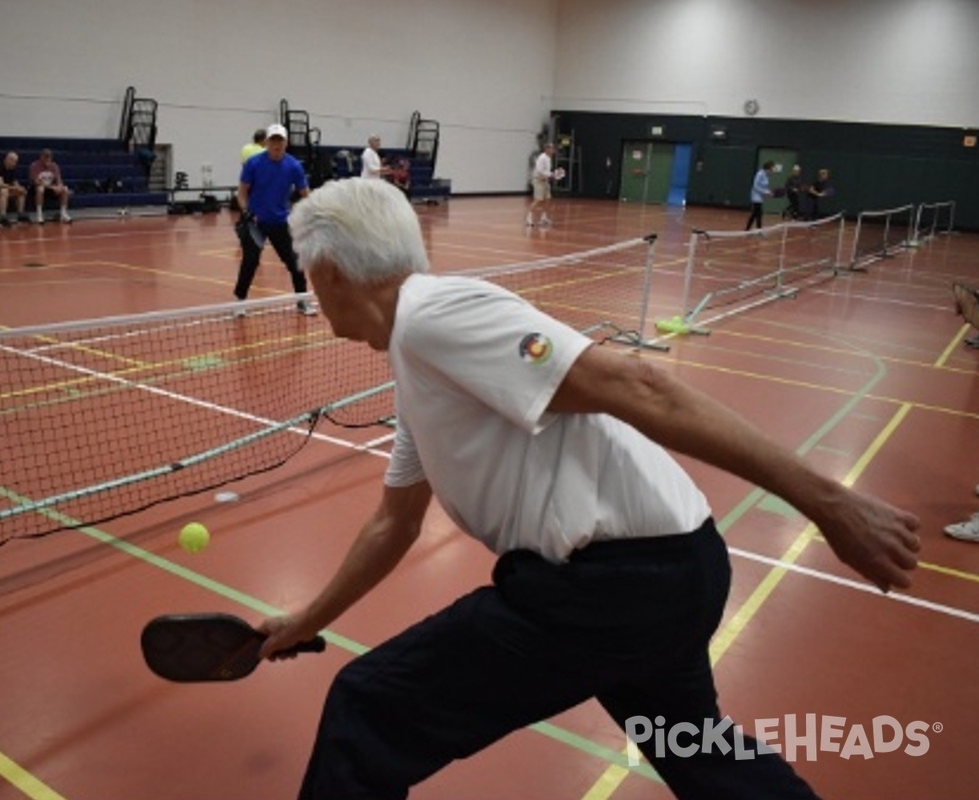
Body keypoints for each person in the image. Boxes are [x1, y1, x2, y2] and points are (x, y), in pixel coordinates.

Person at [265, 177, 921, 799]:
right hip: (673, 571)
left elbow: (640, 384)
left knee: (370, 707)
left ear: (328, 273)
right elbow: (394, 522)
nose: (309, 288)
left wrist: (827, 502)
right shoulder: (417, 362)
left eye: (306, 274)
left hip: (613, 587)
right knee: (699, 751)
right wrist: (304, 622)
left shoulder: (434, 316)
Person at [234, 123, 316, 316]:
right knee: (250, 262)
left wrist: (313, 213)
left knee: (295, 262)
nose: (276, 145)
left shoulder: (294, 166)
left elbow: (305, 193)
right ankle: (239, 302)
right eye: (273, 141)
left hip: (280, 222)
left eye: (280, 141)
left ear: (286, 143)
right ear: (267, 143)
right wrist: (245, 211)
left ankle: (302, 301)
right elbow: (242, 193)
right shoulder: (253, 164)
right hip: (256, 222)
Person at [28, 149, 71, 224]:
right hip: (36, 188)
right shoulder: (34, 165)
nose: (47, 159)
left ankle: (63, 213)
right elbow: (36, 182)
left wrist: (59, 186)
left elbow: (59, 180)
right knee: (40, 189)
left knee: (65, 189)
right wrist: (51, 187)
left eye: (49, 157)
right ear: (41, 157)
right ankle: (39, 214)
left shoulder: (54, 166)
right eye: (45, 157)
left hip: (51, 188)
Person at [527, 142, 555, 227]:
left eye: (553, 148)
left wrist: (552, 175)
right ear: (547, 149)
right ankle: (529, 218)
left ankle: (543, 218)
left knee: (548, 199)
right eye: (551, 148)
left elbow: (546, 171)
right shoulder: (542, 158)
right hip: (538, 181)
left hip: (545, 181)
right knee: (538, 199)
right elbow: (539, 171)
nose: (553, 150)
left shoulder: (549, 158)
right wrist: (544, 176)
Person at [745, 160, 774, 231]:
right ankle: (759, 230)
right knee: (759, 214)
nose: (773, 171)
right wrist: (765, 192)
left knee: (755, 214)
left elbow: (764, 187)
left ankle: (747, 229)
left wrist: (768, 192)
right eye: (772, 169)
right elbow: (755, 186)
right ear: (768, 168)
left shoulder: (767, 176)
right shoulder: (760, 174)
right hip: (756, 197)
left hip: (760, 197)